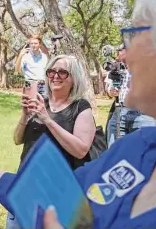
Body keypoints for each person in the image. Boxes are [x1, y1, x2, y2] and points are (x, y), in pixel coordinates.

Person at [0, 0, 156, 229]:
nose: (123, 58)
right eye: (51, 72)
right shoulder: (138, 148)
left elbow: (80, 150)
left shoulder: (83, 109)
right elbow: (68, 196)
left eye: (136, 37)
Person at [7, 55, 96, 228]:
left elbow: (81, 149)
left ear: (74, 78)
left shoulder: (80, 107)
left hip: (57, 193)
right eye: (51, 72)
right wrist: (25, 116)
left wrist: (47, 120)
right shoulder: (41, 103)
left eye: (62, 72)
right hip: (26, 186)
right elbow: (18, 139)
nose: (55, 76)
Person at [104, 45, 156, 148]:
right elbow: (108, 88)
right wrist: (111, 91)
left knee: (143, 157)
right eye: (119, 50)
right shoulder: (115, 67)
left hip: (143, 115)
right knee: (115, 155)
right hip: (119, 114)